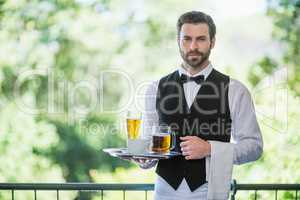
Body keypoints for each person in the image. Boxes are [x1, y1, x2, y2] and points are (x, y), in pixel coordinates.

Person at [132, 11, 263, 200]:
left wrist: (210, 149)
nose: (193, 46)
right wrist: (143, 158)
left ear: (213, 42)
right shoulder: (155, 88)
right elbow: (148, 146)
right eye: (187, 39)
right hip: (163, 193)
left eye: (201, 39)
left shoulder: (235, 90)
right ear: (178, 41)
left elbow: (254, 146)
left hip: (209, 193)